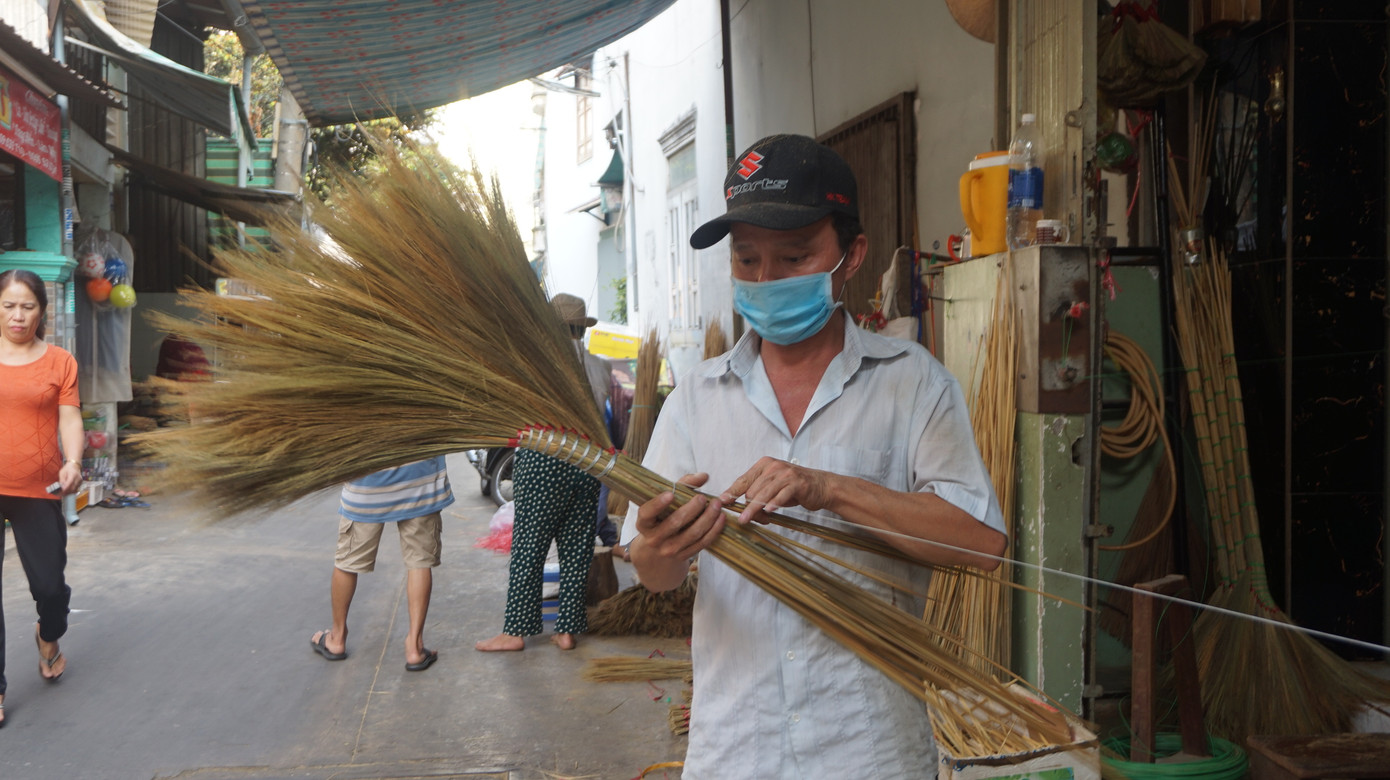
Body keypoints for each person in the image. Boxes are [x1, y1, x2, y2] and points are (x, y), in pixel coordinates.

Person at [619, 134, 1009, 779]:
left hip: (868, 748)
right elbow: (653, 573)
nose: (767, 281)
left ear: (850, 256)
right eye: (748, 261)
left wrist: (829, 489)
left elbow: (980, 543)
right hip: (736, 747)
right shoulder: (695, 398)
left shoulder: (912, 383)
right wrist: (660, 550)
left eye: (795, 257)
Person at [476, 293, 611, 652]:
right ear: (582, 328)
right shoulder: (600, 367)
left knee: (529, 545)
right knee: (577, 546)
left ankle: (516, 631)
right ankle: (566, 630)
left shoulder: (536, 366)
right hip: (587, 462)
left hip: (544, 461)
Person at [0, 269, 85, 728]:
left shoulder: (59, 362)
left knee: (50, 588)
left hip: (38, 488)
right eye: (9, 305)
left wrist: (73, 460)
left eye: (27, 306)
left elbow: (70, 418)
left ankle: (48, 637)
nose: (17, 316)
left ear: (41, 311)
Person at [309, 456, 453, 671]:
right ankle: (414, 647)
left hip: (367, 485)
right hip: (420, 483)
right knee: (419, 562)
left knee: (348, 561)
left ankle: (336, 638)